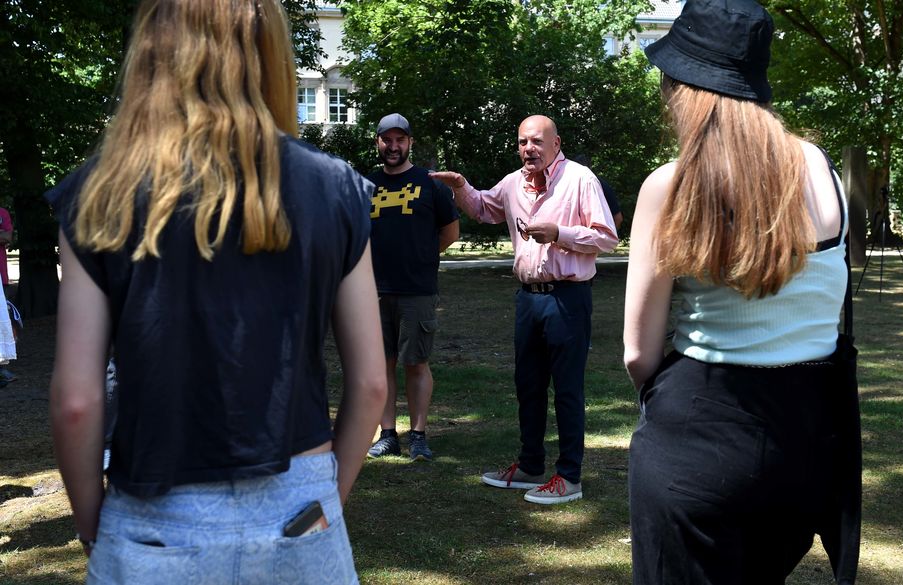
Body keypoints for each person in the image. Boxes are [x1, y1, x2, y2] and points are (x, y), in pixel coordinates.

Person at [46, 1, 386, 583]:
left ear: (152, 50)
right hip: (300, 508)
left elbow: (77, 403)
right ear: (272, 52)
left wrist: (90, 526)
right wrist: (327, 499)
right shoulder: (336, 189)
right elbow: (373, 385)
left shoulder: (99, 193)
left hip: (153, 517)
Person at [623, 0, 856, 582]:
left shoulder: (670, 185)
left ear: (686, 88)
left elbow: (637, 353)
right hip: (803, 451)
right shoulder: (822, 171)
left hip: (697, 441)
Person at [431, 115, 618, 505]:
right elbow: (484, 208)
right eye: (522, 142)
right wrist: (461, 187)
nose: (528, 149)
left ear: (555, 143)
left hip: (568, 298)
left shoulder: (580, 179)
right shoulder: (514, 182)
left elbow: (606, 237)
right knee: (528, 386)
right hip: (528, 299)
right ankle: (530, 466)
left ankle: (569, 476)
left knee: (567, 389)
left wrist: (560, 234)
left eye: (536, 141)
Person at [365, 113, 460, 461]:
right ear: (377, 142)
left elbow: (450, 232)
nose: (393, 146)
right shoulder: (365, 184)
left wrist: (420, 255)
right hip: (372, 290)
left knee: (416, 362)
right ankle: (387, 434)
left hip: (416, 289)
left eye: (399, 140)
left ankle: (418, 434)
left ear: (410, 143)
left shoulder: (430, 183)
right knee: (382, 364)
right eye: (386, 140)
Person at [571, 154, 623, 230]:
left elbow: (618, 218)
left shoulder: (602, 185)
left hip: (595, 238)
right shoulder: (570, 186)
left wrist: (607, 238)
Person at [0, 207, 16, 386]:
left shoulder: (2, 213)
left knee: (3, 318)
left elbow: (8, 237)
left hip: (1, 275)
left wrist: (4, 235)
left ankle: (3, 365)